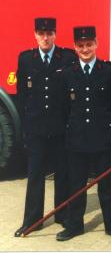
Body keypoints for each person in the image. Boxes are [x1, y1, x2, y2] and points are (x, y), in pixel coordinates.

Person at [56, 26, 111, 241]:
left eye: (89, 44)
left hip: (102, 139)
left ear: (96, 44)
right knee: (76, 186)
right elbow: (63, 109)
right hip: (76, 139)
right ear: (75, 47)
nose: (85, 49)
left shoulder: (109, 71)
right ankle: (75, 225)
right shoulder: (67, 73)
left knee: (106, 186)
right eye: (80, 45)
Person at [15, 17, 76, 237]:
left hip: (60, 128)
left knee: (63, 174)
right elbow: (22, 95)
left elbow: (71, 92)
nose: (45, 37)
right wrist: (27, 126)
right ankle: (32, 220)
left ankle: (62, 215)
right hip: (36, 129)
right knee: (35, 175)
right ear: (35, 35)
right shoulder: (26, 59)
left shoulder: (67, 57)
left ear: (55, 34)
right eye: (41, 33)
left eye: (49, 33)